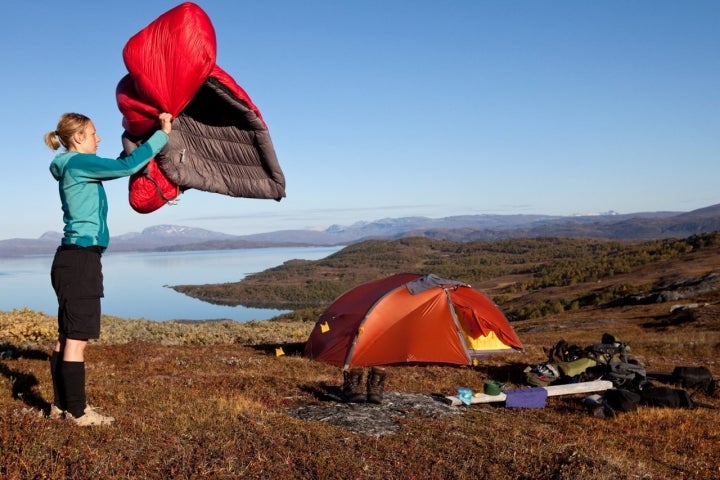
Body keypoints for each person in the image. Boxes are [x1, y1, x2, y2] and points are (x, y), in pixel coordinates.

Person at [44, 112, 172, 426]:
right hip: (81, 261)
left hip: (70, 260)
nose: (98, 138)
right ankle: (77, 413)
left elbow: (117, 164)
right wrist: (163, 134)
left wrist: (136, 145)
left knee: (66, 336)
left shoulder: (75, 166)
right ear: (78, 138)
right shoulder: (77, 163)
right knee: (76, 340)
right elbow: (127, 167)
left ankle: (61, 406)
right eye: (93, 133)